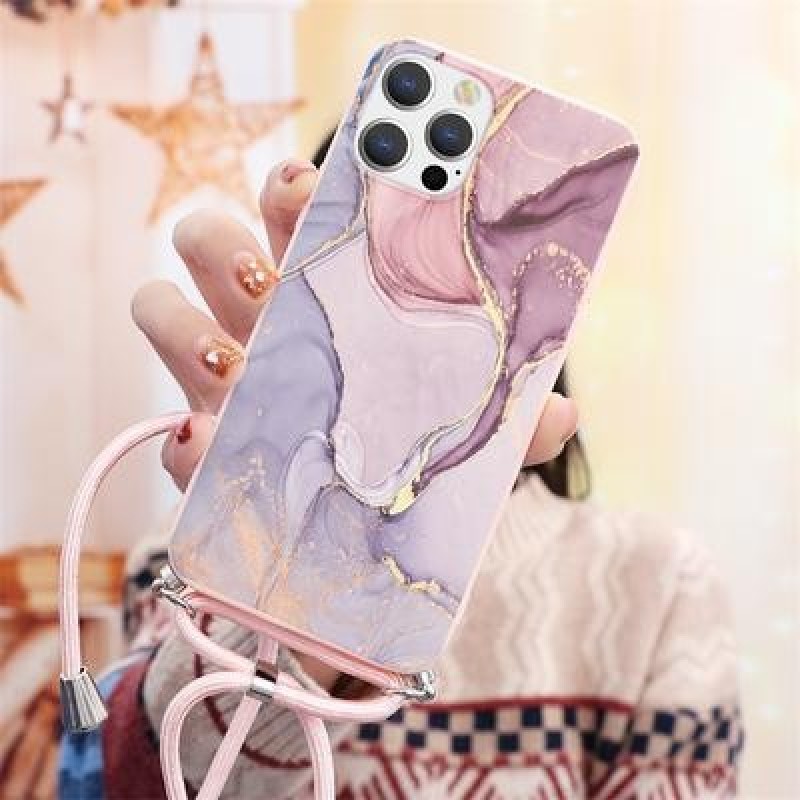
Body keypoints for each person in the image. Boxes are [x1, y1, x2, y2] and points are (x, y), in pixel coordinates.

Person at [59, 152, 743, 799]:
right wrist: (298, 593)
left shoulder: (652, 582)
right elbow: (141, 784)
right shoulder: (193, 552)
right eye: (378, 277)